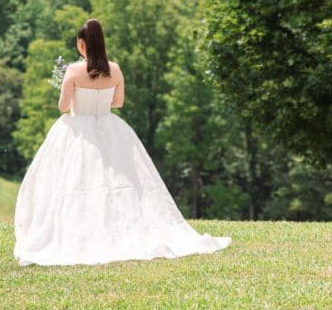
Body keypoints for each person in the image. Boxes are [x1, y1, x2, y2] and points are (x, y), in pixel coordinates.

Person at [14, 19, 231, 265]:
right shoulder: (115, 70)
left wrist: (76, 97)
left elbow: (63, 107)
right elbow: (117, 103)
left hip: (78, 129)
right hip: (109, 127)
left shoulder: (73, 71)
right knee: (120, 182)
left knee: (74, 182)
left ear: (81, 43)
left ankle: (81, 230)